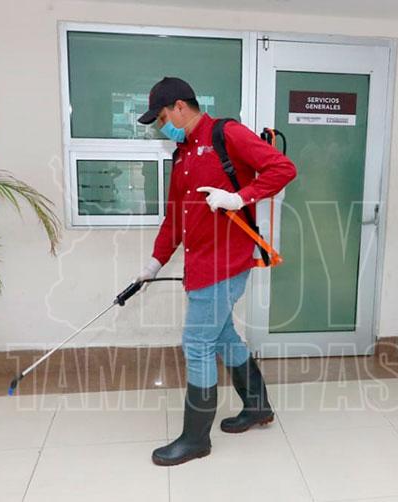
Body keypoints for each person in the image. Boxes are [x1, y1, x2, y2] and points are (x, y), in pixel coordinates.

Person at [135, 77, 296, 466]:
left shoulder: (226, 133)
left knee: (197, 343)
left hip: (227, 261)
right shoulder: (182, 154)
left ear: (179, 106)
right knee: (222, 336)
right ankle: (257, 406)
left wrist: (239, 197)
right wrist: (155, 262)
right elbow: (175, 217)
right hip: (201, 262)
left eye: (161, 118)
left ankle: (195, 439)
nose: (161, 126)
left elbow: (283, 168)